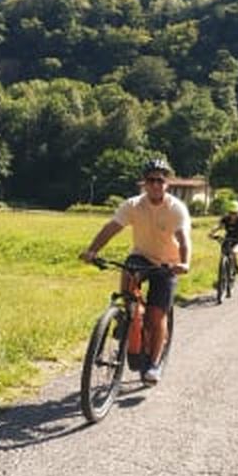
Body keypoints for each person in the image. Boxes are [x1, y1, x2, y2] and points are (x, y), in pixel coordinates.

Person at [80, 158, 191, 385]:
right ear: (144, 183)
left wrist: (184, 262)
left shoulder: (175, 209)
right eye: (151, 180)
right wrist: (92, 251)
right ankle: (125, 317)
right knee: (129, 279)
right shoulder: (132, 205)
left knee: (156, 315)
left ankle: (153, 364)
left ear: (166, 184)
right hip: (141, 256)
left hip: (167, 263)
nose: (155, 185)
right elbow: (112, 227)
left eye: (160, 180)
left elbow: (183, 238)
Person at [208, 200, 238, 275]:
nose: (233, 215)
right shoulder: (225, 219)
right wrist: (211, 233)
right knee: (224, 253)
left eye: (235, 213)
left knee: (234, 252)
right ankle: (223, 273)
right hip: (228, 239)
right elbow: (219, 226)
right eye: (231, 213)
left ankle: (237, 267)